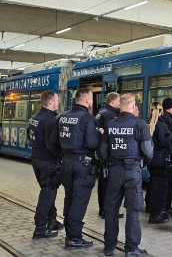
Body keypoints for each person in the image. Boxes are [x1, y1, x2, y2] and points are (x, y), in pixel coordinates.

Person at [98, 94, 153, 257]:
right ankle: (131, 248)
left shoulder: (110, 124)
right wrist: (142, 163)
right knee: (133, 210)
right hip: (132, 171)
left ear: (120, 105)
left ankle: (109, 247)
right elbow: (148, 151)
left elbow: (102, 152)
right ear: (133, 105)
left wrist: (113, 161)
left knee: (111, 209)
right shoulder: (140, 124)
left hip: (114, 172)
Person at [58, 87, 101, 250]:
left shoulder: (63, 117)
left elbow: (55, 140)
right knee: (79, 201)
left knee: (69, 198)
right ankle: (74, 238)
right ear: (88, 101)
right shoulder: (88, 119)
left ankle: (70, 233)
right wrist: (100, 134)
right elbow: (92, 143)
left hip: (66, 162)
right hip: (82, 164)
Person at [28, 90, 63, 239]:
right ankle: (40, 227)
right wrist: (60, 156)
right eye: (56, 100)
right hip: (47, 160)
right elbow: (52, 143)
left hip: (36, 158)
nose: (58, 102)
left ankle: (52, 220)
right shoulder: (49, 120)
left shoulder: (35, 117)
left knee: (49, 191)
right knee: (48, 193)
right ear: (50, 102)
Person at [95, 92, 124, 219]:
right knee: (108, 184)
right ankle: (107, 211)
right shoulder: (111, 115)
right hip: (108, 153)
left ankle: (102, 209)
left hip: (101, 152)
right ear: (113, 102)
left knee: (102, 182)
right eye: (118, 101)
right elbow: (110, 134)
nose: (120, 103)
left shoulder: (101, 111)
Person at [147, 102, 172, 224]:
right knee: (160, 187)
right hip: (160, 158)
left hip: (151, 158)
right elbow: (165, 142)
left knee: (153, 185)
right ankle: (156, 214)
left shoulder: (147, 123)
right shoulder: (161, 125)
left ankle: (150, 208)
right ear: (161, 111)